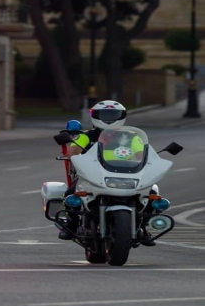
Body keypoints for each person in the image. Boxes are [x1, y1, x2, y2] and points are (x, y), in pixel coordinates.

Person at [58, 101, 153, 246]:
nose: (109, 118)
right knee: (71, 193)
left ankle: (143, 226)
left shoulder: (131, 137)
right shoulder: (86, 136)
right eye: (105, 115)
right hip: (92, 176)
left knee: (152, 192)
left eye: (113, 115)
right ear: (95, 116)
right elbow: (73, 151)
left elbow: (141, 153)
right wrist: (74, 151)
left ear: (122, 116)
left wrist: (146, 158)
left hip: (127, 175)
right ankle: (71, 224)